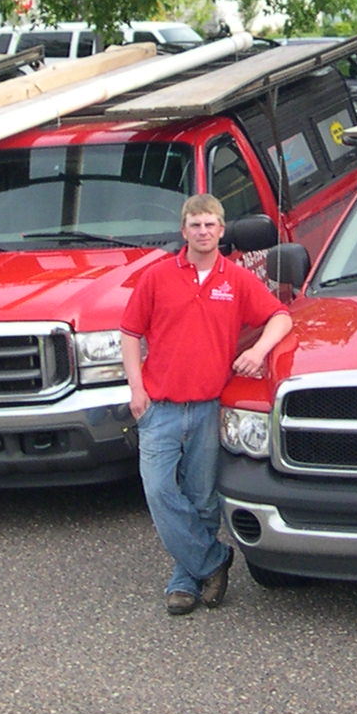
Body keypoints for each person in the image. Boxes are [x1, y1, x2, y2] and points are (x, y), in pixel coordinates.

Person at [120, 193, 292, 615]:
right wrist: (135, 389)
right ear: (184, 231)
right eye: (195, 225)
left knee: (202, 499)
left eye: (210, 225)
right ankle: (214, 560)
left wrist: (259, 351)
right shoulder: (157, 277)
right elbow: (128, 332)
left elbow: (282, 317)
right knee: (160, 491)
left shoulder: (234, 279)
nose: (202, 232)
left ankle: (186, 578)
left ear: (221, 229)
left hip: (208, 408)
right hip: (159, 406)